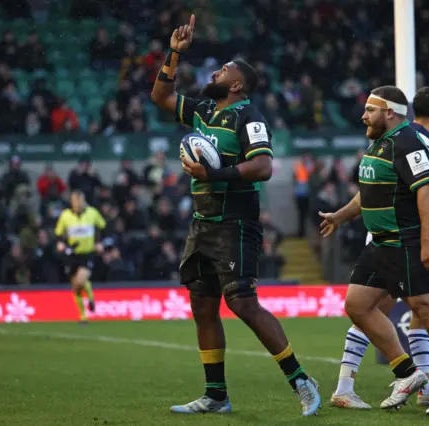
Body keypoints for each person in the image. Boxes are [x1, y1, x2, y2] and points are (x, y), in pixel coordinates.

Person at [150, 14, 321, 417]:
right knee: (203, 305)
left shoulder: (250, 117)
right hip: (202, 222)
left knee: (242, 303)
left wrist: (213, 173)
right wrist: (174, 52)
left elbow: (262, 167)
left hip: (235, 223)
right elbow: (160, 96)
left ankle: (301, 380)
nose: (217, 71)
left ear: (238, 85)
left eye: (225, 70)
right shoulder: (203, 110)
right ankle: (216, 396)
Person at [326, 87, 429, 410]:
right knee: (357, 305)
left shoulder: (409, 142)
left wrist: (428, 241)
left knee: (428, 313)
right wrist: (340, 216)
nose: (363, 115)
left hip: (405, 242)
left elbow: (427, 192)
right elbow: (369, 194)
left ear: (389, 112)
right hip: (381, 244)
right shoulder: (380, 145)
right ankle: (409, 373)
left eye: (369, 109)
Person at [54, 191, 105, 324]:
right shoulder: (65, 215)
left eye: (79, 200)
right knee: (75, 286)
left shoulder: (92, 213)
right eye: (75, 201)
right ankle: (83, 316)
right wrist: (61, 243)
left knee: (80, 280)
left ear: (84, 201)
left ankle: (91, 297)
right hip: (72, 254)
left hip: (87, 253)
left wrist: (99, 242)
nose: (77, 203)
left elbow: (102, 227)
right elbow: (59, 233)